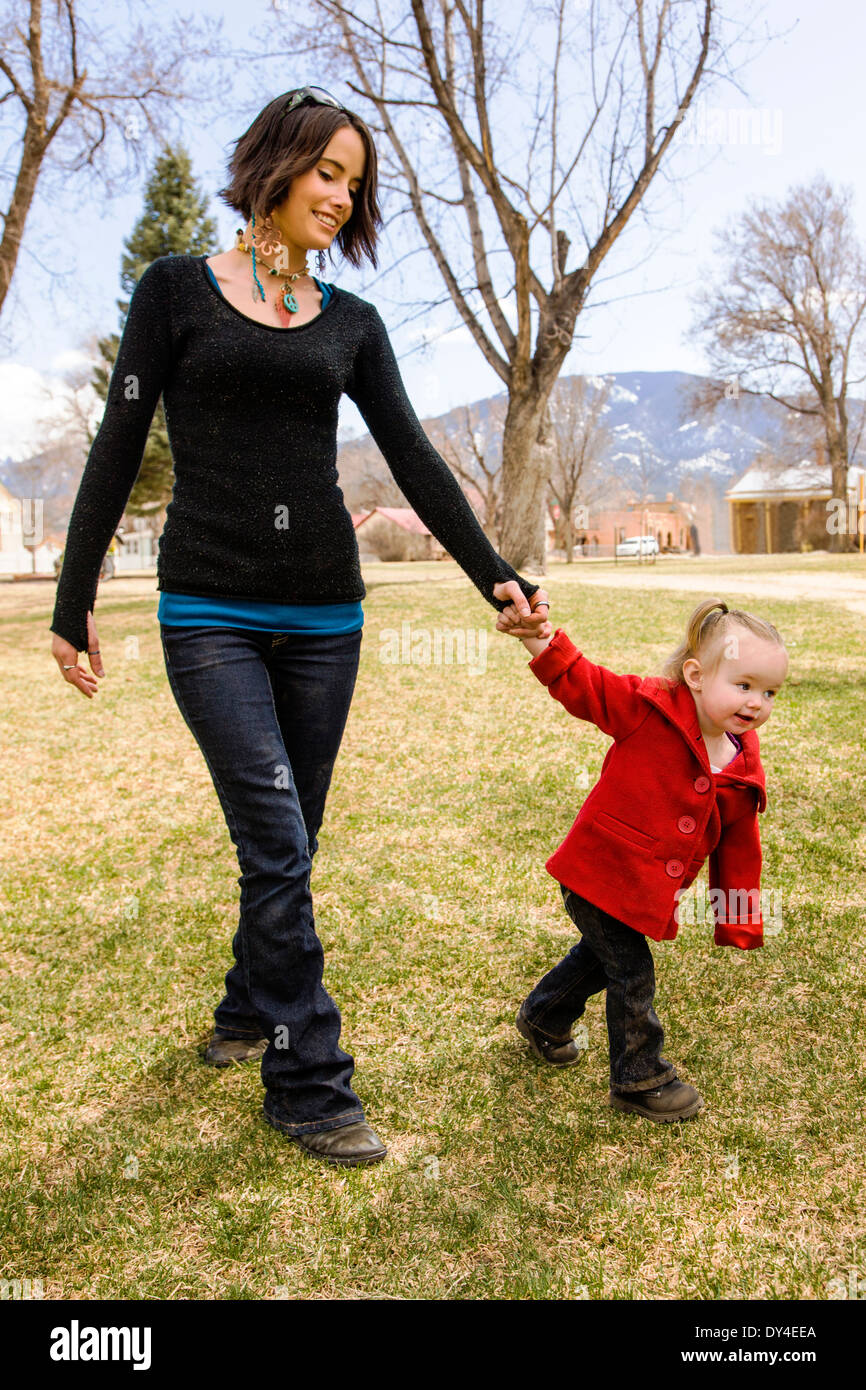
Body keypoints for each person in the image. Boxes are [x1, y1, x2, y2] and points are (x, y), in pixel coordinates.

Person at [49, 86, 551, 1168]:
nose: (338, 196)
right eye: (324, 171)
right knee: (275, 838)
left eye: (353, 183)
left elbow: (412, 453)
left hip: (325, 613)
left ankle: (244, 1003)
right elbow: (118, 435)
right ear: (273, 170)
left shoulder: (350, 324)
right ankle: (307, 1078)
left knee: (290, 841)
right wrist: (72, 591)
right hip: (209, 610)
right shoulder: (177, 292)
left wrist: (492, 574)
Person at [494, 597, 788, 1122]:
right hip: (598, 874)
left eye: (769, 692)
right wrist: (535, 636)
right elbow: (583, 683)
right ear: (695, 675)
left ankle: (544, 1016)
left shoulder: (742, 760)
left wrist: (739, 919)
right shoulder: (648, 707)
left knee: (600, 958)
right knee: (631, 972)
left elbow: (740, 847)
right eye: (743, 685)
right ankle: (639, 1076)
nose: (756, 702)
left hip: (644, 892)